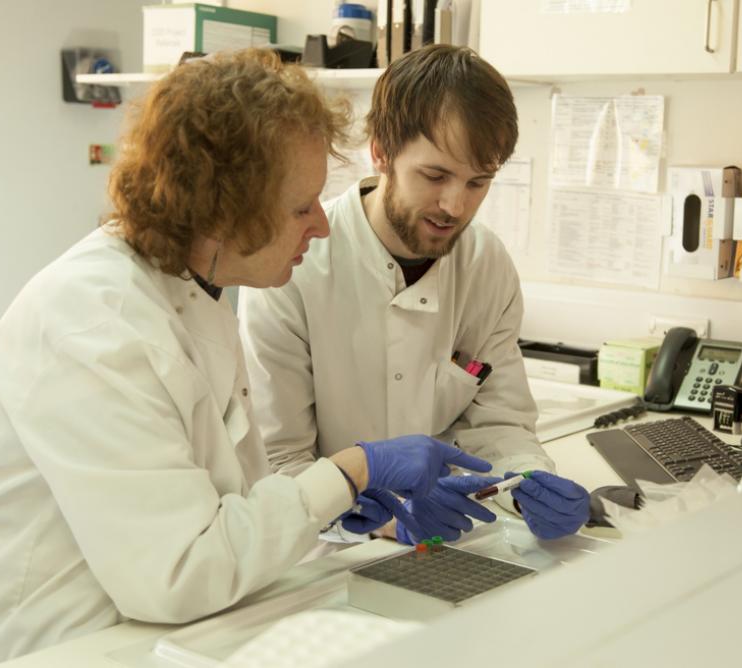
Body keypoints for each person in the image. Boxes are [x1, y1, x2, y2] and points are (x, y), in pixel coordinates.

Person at [0, 49, 494, 668]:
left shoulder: (194, 291)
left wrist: (333, 507)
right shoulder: (97, 325)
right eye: (300, 207)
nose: (321, 226)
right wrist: (349, 473)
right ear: (221, 210)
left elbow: (224, 506)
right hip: (45, 644)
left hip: (150, 628)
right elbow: (177, 572)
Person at [239, 45, 590, 545]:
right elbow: (278, 461)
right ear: (381, 151)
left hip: (452, 538)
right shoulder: (293, 266)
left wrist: (530, 478)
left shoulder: (486, 265)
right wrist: (382, 518)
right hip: (325, 553)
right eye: (435, 176)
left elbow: (499, 422)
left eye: (478, 182)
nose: (455, 205)